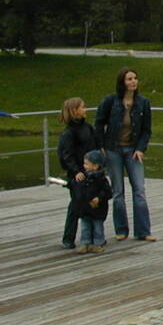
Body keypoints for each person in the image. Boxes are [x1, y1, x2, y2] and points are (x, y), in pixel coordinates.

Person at [95, 67, 155, 241]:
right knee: (118, 192)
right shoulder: (111, 101)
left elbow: (146, 130)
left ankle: (143, 231)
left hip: (133, 149)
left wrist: (140, 148)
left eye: (135, 78)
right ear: (122, 82)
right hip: (113, 149)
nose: (133, 82)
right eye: (129, 79)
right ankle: (121, 230)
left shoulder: (143, 103)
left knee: (139, 190)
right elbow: (99, 123)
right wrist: (101, 146)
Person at [57, 97, 96, 249]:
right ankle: (69, 237)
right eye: (82, 107)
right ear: (74, 111)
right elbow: (66, 155)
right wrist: (76, 171)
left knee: (93, 203)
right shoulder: (69, 133)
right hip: (77, 173)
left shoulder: (88, 128)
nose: (85, 109)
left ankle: (92, 236)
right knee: (76, 204)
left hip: (91, 171)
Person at [71, 149, 112, 254]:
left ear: (96, 166)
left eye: (87, 164)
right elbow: (78, 189)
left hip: (97, 209)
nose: (84, 166)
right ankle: (85, 243)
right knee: (85, 227)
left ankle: (98, 243)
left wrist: (99, 198)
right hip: (85, 209)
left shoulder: (101, 180)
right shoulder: (84, 177)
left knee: (98, 227)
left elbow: (108, 192)